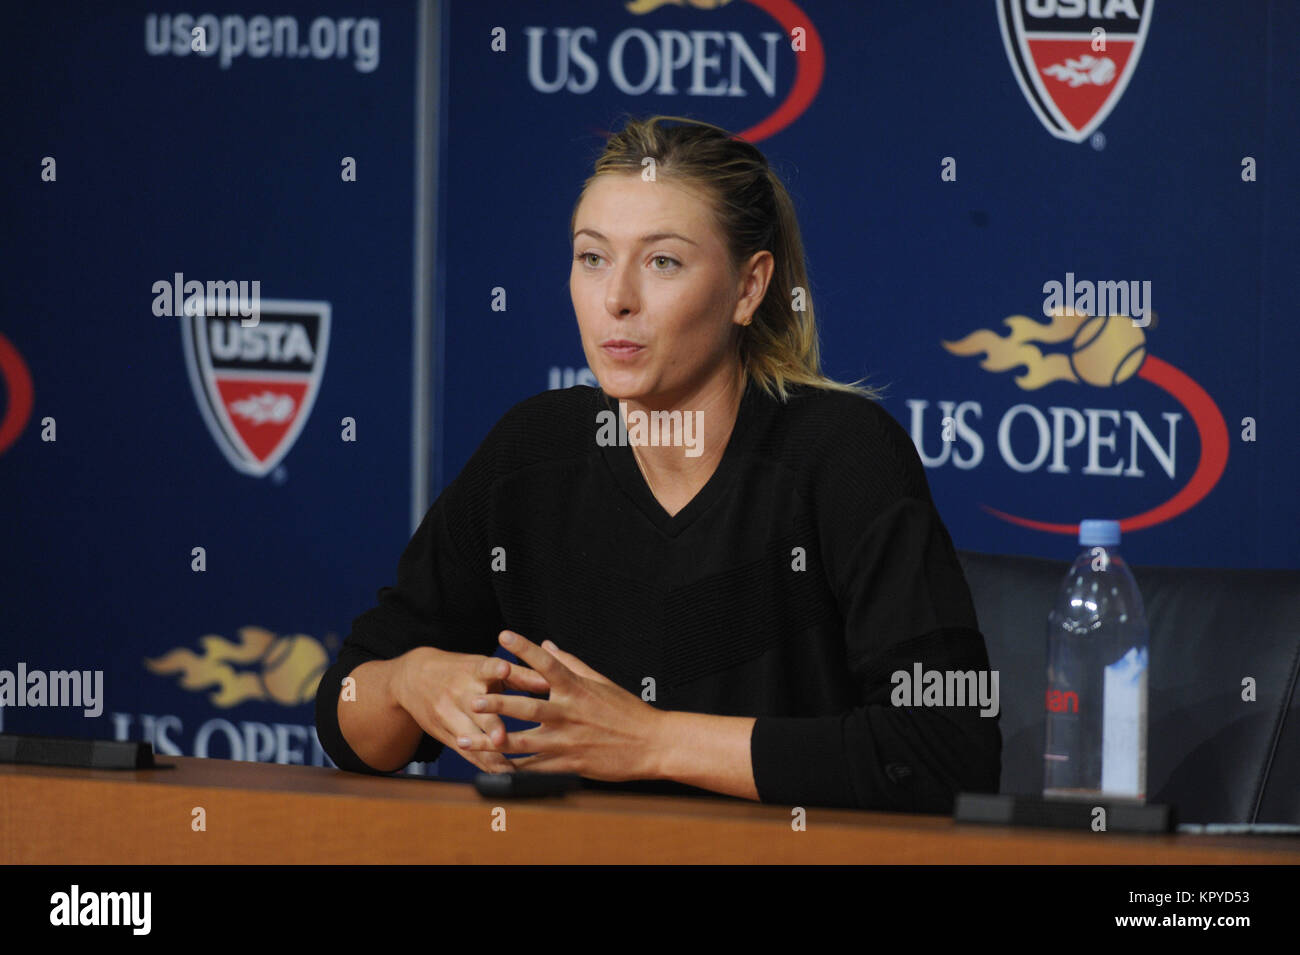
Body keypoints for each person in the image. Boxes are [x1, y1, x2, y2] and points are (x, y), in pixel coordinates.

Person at [314, 114, 1001, 812]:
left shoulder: (844, 453)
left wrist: (654, 740)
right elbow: (345, 717)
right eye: (592, 257)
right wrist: (407, 679)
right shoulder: (531, 454)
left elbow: (946, 749)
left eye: (662, 261)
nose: (617, 298)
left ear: (748, 287)